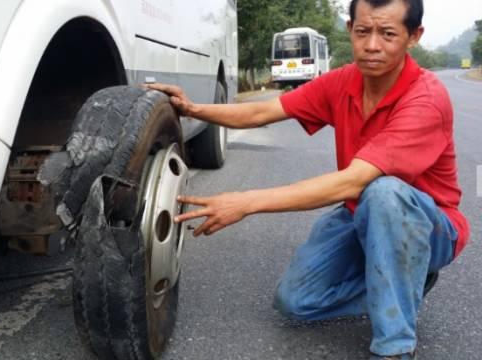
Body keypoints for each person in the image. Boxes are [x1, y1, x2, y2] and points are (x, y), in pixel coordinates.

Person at [147, 0, 469, 358]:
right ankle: (406, 280)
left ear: (414, 37)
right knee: (295, 301)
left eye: (388, 33)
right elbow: (263, 110)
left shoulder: (425, 98)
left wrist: (245, 202)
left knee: (384, 192)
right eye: (363, 31)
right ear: (350, 30)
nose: (373, 45)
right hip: (359, 210)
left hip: (429, 223)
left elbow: (354, 182)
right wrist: (194, 109)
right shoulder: (343, 81)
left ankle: (394, 344)